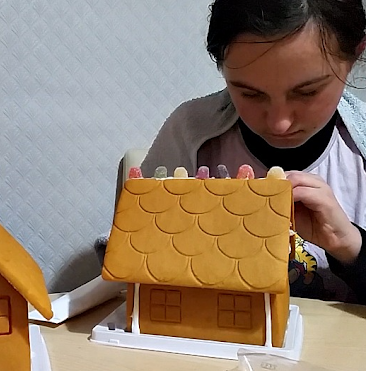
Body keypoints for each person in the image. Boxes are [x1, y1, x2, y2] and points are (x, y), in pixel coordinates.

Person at [141, 0, 366, 304]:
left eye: (307, 92)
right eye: (250, 94)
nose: (280, 123)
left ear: (355, 55)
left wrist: (350, 245)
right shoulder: (191, 135)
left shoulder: (358, 148)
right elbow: (135, 262)